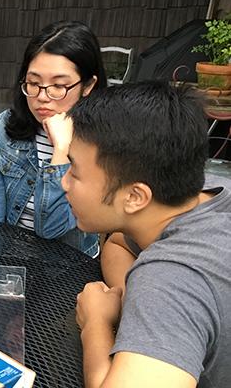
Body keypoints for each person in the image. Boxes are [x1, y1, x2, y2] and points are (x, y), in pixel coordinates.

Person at [64, 81, 230, 387]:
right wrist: (135, 300)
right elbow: (117, 241)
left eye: (74, 171)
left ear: (135, 197)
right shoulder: (205, 194)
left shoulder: (173, 279)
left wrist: (97, 321)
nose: (64, 183)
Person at [0, 21, 107, 256]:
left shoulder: (100, 140)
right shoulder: (5, 126)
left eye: (59, 86)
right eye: (34, 83)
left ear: (88, 85)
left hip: (67, 267)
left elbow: (52, 228)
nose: (42, 97)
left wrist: (61, 150)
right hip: (10, 258)